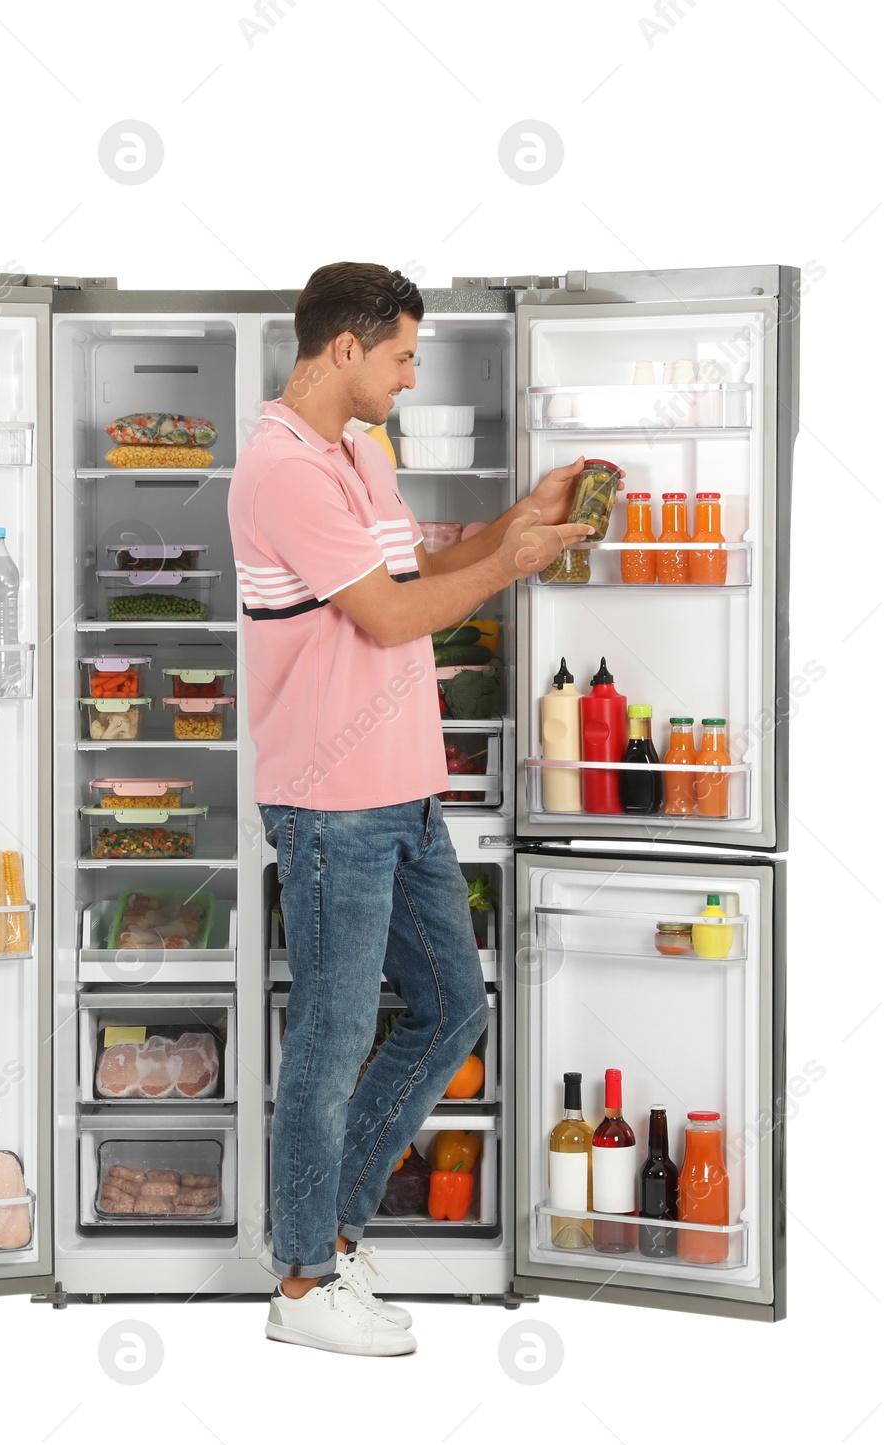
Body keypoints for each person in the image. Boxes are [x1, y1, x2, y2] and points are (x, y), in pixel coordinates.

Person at [228, 261, 592, 1356]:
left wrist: (512, 526)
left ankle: (326, 1239)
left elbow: (417, 562)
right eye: (400, 354)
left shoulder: (358, 453)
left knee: (450, 1011)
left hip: (403, 789)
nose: (410, 371)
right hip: (332, 804)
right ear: (343, 347)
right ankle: (300, 1289)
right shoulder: (281, 469)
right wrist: (511, 568)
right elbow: (389, 620)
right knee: (331, 1043)